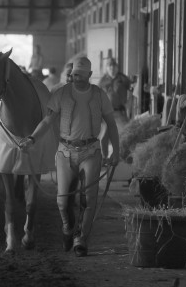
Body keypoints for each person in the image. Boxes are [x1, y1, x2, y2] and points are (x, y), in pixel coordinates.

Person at [20, 56, 120, 257]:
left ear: (90, 75)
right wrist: (32, 139)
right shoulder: (61, 94)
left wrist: (115, 152)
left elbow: (111, 124)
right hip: (65, 152)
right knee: (62, 201)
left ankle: (81, 239)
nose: (77, 79)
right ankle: (68, 228)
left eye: (81, 76)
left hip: (91, 150)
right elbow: (47, 121)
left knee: (89, 198)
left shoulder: (100, 95)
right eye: (74, 75)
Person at [98, 58, 131, 159]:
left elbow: (133, 91)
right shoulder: (102, 81)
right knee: (104, 136)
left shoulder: (124, 79)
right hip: (106, 113)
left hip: (119, 112)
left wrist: (129, 105)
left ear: (117, 67)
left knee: (125, 133)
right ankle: (104, 158)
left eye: (114, 66)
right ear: (107, 68)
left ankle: (123, 157)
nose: (112, 68)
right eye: (109, 66)